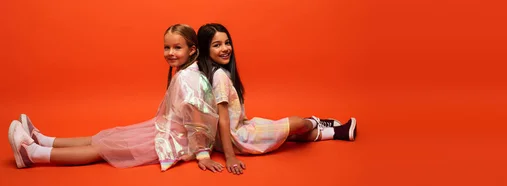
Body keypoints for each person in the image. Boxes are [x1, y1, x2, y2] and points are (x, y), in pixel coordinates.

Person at [8, 24, 224, 172]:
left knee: (102, 148)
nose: (170, 52)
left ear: (192, 49)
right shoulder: (185, 73)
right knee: (102, 138)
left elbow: (198, 118)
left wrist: (203, 153)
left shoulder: (189, 78)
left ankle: (34, 154)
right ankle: (44, 141)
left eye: (177, 47)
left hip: (173, 140)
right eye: (166, 47)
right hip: (164, 128)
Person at [195, 23, 357, 175]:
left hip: (236, 130)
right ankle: (315, 122)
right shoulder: (220, 77)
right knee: (298, 123)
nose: (225, 48)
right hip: (239, 137)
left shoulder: (215, 72)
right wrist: (230, 157)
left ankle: (336, 132)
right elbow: (223, 120)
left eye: (227, 43)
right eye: (217, 45)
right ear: (204, 49)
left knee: (285, 134)